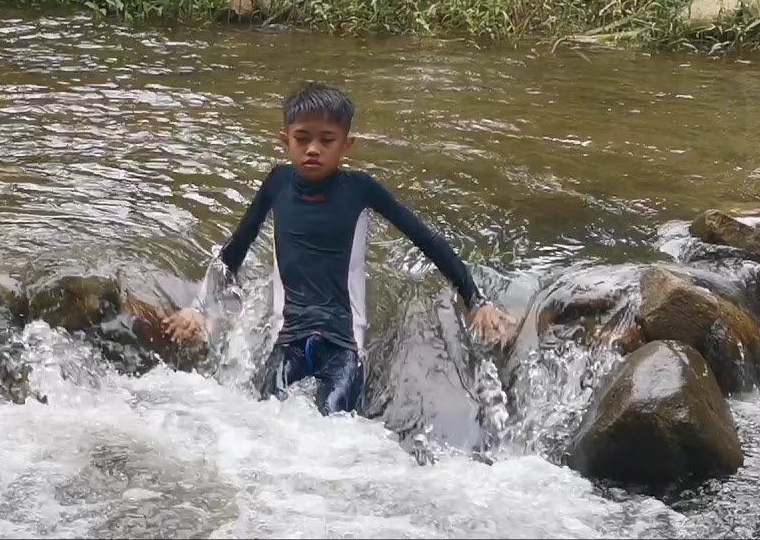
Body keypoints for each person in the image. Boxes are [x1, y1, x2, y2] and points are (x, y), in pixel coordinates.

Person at [163, 82, 515, 415]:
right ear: (285, 140)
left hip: (344, 345)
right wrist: (198, 308)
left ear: (346, 145)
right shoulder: (278, 183)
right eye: (302, 139)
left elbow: (427, 241)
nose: (313, 149)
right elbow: (235, 250)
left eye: (326, 140)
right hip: (289, 340)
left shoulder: (360, 190)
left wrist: (476, 301)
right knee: (268, 417)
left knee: (332, 424)